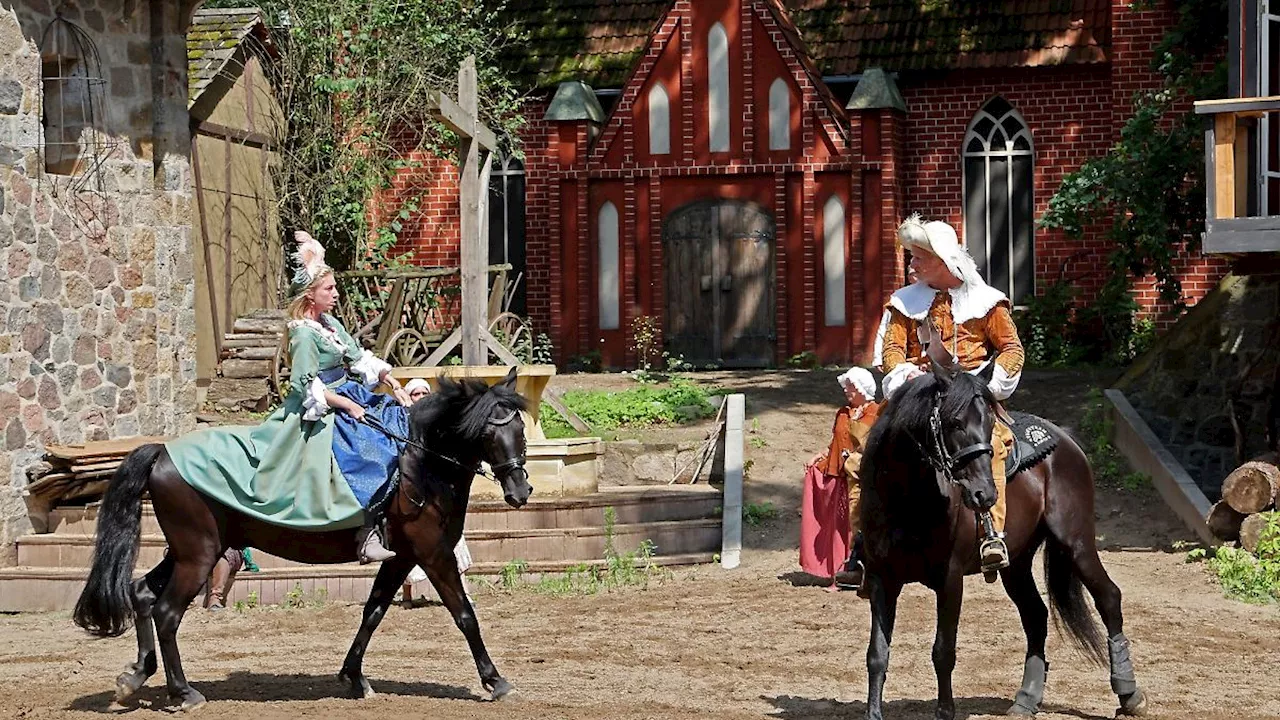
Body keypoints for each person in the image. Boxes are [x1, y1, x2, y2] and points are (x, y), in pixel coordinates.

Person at [165, 231, 413, 564]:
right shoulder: (303, 333)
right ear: (311, 296)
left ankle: (390, 522)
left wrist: (391, 380)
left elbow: (357, 358)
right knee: (366, 454)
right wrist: (347, 404)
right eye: (330, 289)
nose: (336, 294)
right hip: (322, 407)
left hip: (349, 394)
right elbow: (304, 385)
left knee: (393, 434)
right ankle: (364, 533)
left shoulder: (330, 324)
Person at [876, 214, 1024, 573]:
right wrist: (906, 375)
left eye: (919, 257)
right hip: (918, 393)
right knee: (870, 446)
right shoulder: (903, 303)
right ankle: (867, 540)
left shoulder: (987, 302)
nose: (912, 264)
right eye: (911, 256)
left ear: (941, 260)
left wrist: (984, 384)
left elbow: (1011, 349)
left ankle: (992, 532)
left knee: (996, 445)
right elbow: (891, 351)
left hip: (970, 393)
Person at [801, 367, 882, 591]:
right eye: (846, 386)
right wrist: (823, 454)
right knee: (836, 526)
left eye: (851, 387)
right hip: (838, 474)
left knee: (851, 526)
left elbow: (872, 445)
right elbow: (836, 441)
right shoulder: (843, 413)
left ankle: (851, 572)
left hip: (858, 478)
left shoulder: (875, 413)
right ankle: (834, 572)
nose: (847, 390)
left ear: (862, 389)